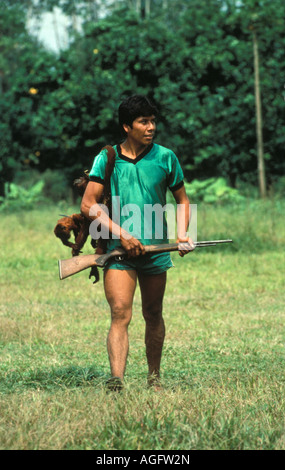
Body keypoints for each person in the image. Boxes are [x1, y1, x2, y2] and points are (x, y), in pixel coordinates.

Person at [81, 95, 194, 390]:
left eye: (153, 121)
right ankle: (116, 379)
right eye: (144, 121)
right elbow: (88, 204)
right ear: (126, 126)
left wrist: (182, 234)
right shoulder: (107, 158)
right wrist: (122, 234)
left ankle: (154, 379)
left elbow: (182, 201)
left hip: (156, 251)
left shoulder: (166, 157)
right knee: (120, 312)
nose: (151, 127)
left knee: (153, 313)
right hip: (119, 252)